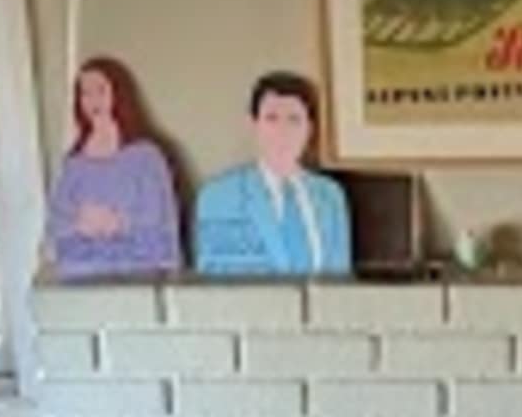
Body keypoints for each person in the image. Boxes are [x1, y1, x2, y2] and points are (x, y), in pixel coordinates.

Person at [191, 70, 355, 276]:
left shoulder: (331, 196)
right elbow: (217, 279)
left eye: (294, 120)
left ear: (310, 128)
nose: (282, 132)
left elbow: (340, 281)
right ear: (254, 124)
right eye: (272, 118)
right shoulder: (219, 196)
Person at [46, 55, 181, 277]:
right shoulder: (73, 164)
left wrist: (119, 223)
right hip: (81, 281)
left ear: (118, 94)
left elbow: (160, 227)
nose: (93, 100)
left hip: (139, 279)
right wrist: (80, 224)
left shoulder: (147, 158)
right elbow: (55, 230)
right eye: (85, 93)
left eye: (100, 91)